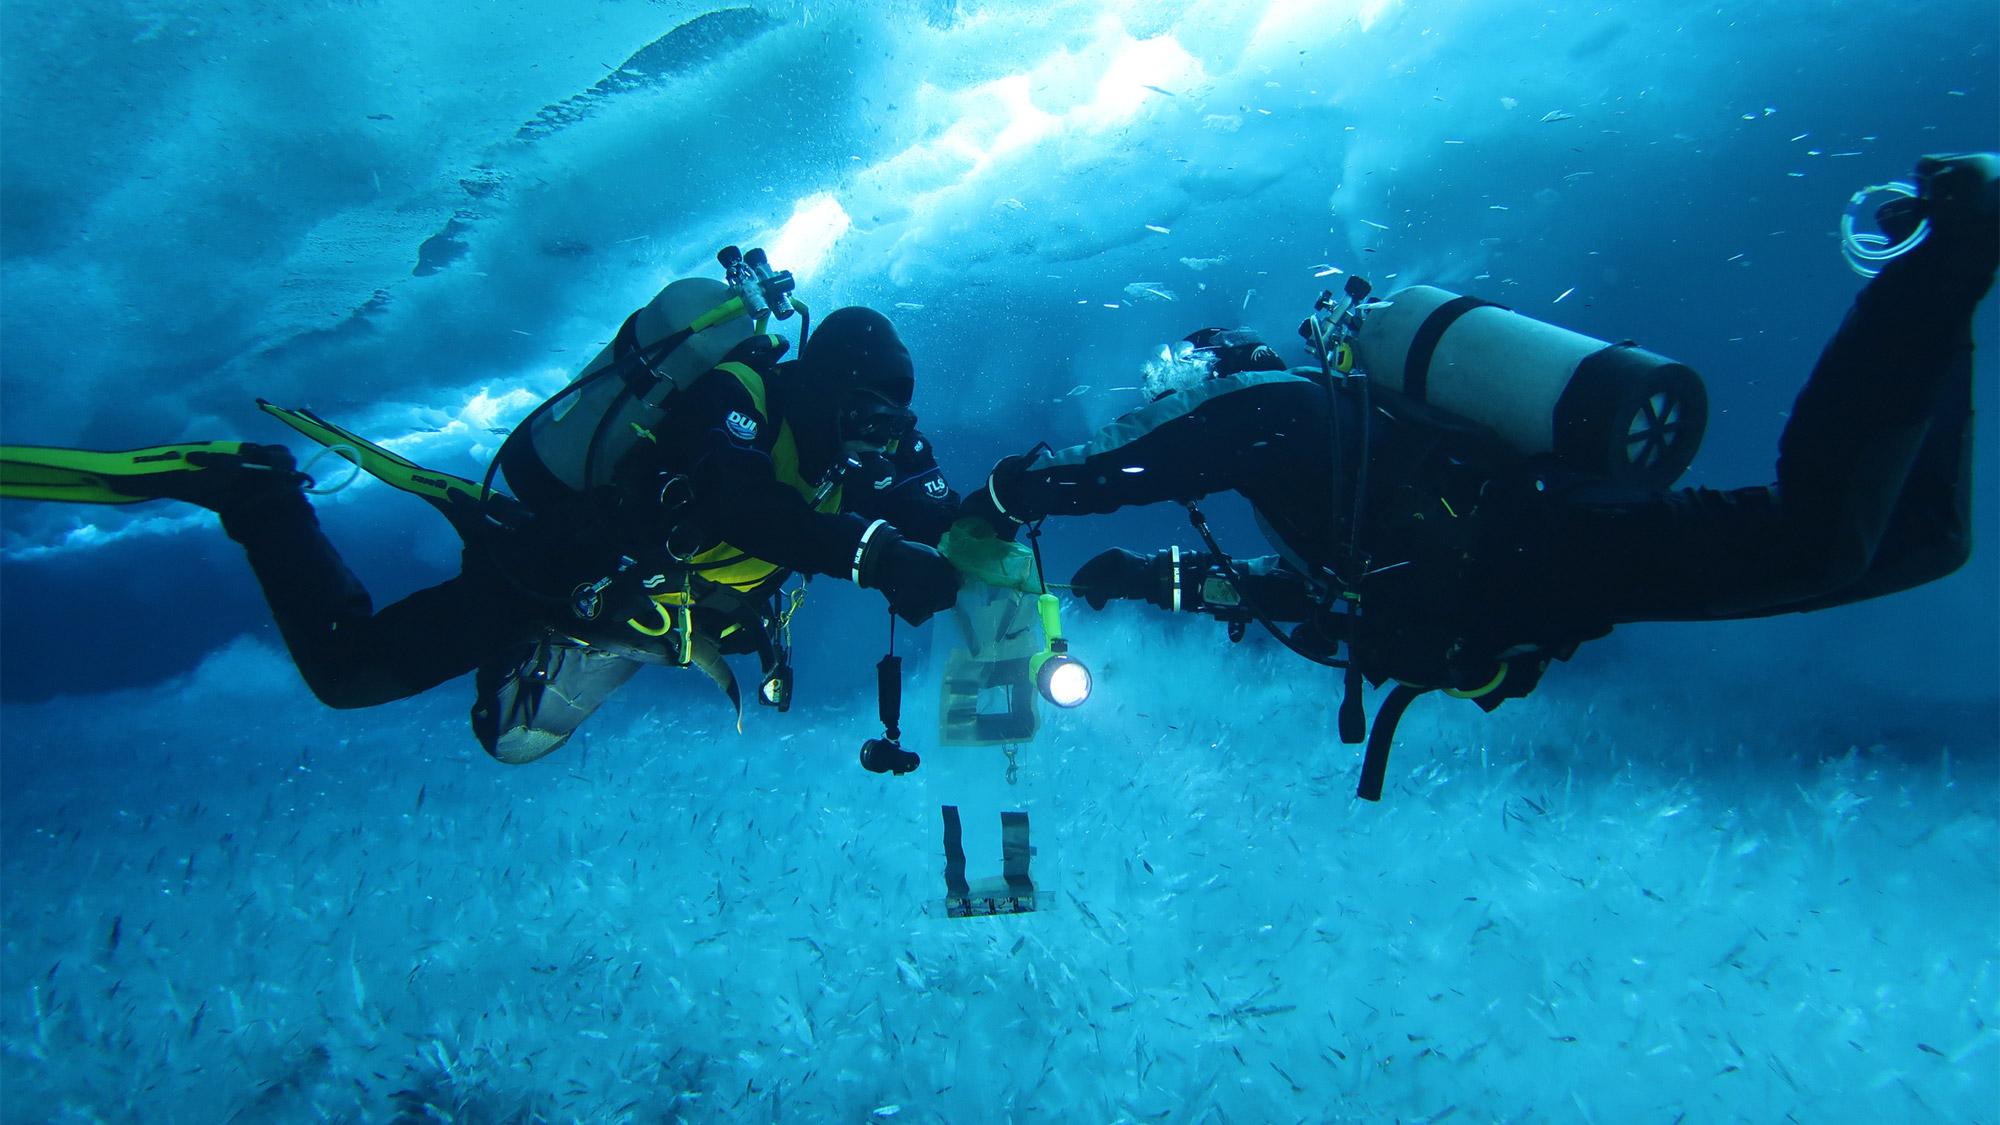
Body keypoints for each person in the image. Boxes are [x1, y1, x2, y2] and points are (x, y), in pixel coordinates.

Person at [959, 154, 1997, 798]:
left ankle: (1948, 250)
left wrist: (1021, 489)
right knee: (1920, 543)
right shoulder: (1314, 475)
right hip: (1537, 588)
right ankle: (1945, 287)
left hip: (1549, 547)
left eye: (1184, 384)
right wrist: (1153, 584)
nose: (1172, 402)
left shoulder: (1281, 409)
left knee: (1818, 537)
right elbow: (1312, 600)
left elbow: (1176, 446)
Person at [1, 279, 966, 763]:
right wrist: (875, 553)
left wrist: (1002, 503)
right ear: (828, 388)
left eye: (893, 429)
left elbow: (936, 516)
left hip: (627, 609)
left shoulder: (843, 461)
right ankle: (255, 492)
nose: (878, 448)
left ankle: (522, 667)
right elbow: (734, 501)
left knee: (508, 738)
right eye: (870, 420)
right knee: (349, 672)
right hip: (551, 564)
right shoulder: (739, 393)